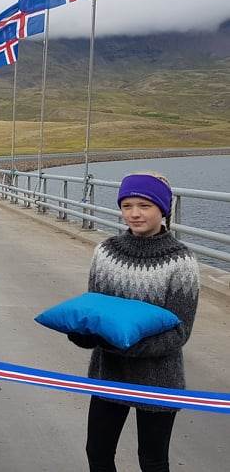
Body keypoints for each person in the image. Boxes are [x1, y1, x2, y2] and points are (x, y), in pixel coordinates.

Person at [68, 172, 200, 472]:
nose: (134, 213)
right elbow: (95, 310)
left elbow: (180, 331)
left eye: (144, 205)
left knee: (152, 461)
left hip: (159, 377)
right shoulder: (105, 252)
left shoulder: (181, 261)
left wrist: (126, 346)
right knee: (98, 453)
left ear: (163, 210)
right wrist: (83, 335)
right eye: (127, 205)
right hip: (108, 372)